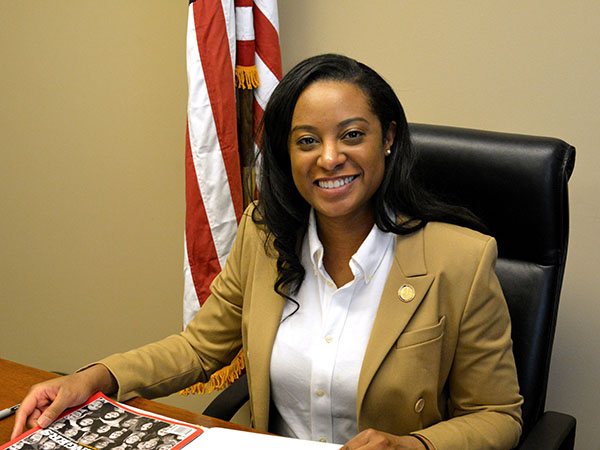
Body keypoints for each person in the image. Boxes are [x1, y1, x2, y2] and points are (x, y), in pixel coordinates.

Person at [12, 54, 523, 449]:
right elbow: (199, 349)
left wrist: (414, 444)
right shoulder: (264, 234)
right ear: (286, 151)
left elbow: (500, 416)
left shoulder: (462, 261)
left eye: (352, 135)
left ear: (387, 138)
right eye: (307, 140)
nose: (329, 158)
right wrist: (93, 378)